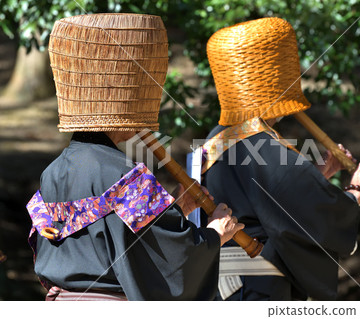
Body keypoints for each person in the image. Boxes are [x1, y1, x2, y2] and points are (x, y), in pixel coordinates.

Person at [26, 13, 243, 301]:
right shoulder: (125, 175)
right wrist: (215, 234)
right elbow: (174, 263)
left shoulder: (53, 171)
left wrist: (177, 206)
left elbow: (105, 236)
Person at [201, 17, 360, 301]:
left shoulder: (214, 139)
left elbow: (267, 198)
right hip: (258, 288)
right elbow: (304, 217)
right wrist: (355, 194)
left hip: (218, 287)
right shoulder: (264, 145)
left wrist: (315, 175)